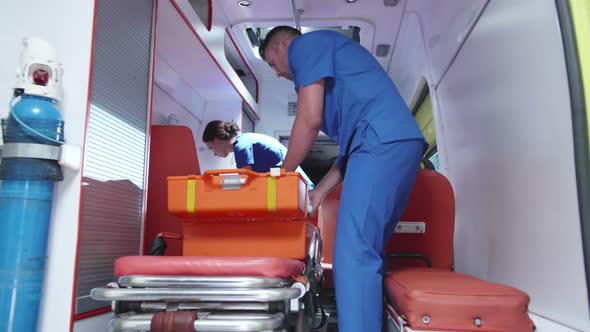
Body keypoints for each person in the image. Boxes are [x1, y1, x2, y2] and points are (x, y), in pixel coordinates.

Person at [259, 26, 426, 331]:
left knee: (353, 254)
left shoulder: (306, 46)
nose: (277, 73)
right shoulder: (340, 78)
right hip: (387, 142)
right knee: (366, 249)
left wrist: (280, 177)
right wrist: (317, 194)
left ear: (283, 45)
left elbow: (309, 120)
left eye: (272, 62)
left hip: (381, 141)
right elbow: (349, 151)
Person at [201, 120, 314, 189]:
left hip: (299, 189)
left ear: (216, 140)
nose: (214, 154)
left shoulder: (241, 145)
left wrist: (217, 184)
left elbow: (245, 181)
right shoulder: (246, 140)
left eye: (211, 148)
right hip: (300, 187)